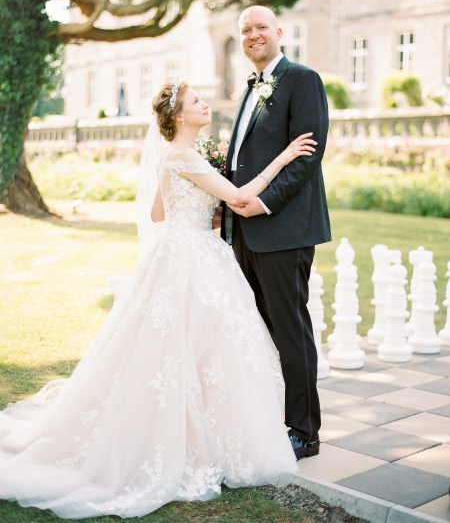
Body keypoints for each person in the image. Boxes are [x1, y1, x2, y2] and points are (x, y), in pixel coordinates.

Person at [0, 81, 317, 519]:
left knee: (182, 348)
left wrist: (196, 203)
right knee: (205, 347)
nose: (206, 104)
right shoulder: (186, 157)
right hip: (195, 259)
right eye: (197, 102)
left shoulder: (176, 159)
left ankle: (195, 430)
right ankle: (201, 438)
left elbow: (157, 213)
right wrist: (283, 156)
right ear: (181, 117)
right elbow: (242, 200)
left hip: (178, 252)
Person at [222, 5, 331, 460]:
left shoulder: (302, 79)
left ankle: (304, 432)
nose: (253, 35)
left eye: (261, 27)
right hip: (244, 233)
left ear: (279, 32)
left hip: (283, 230)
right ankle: (270, 417)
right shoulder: (250, 87)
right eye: (245, 30)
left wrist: (263, 203)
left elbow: (308, 154)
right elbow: (244, 160)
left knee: (291, 332)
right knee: (260, 332)